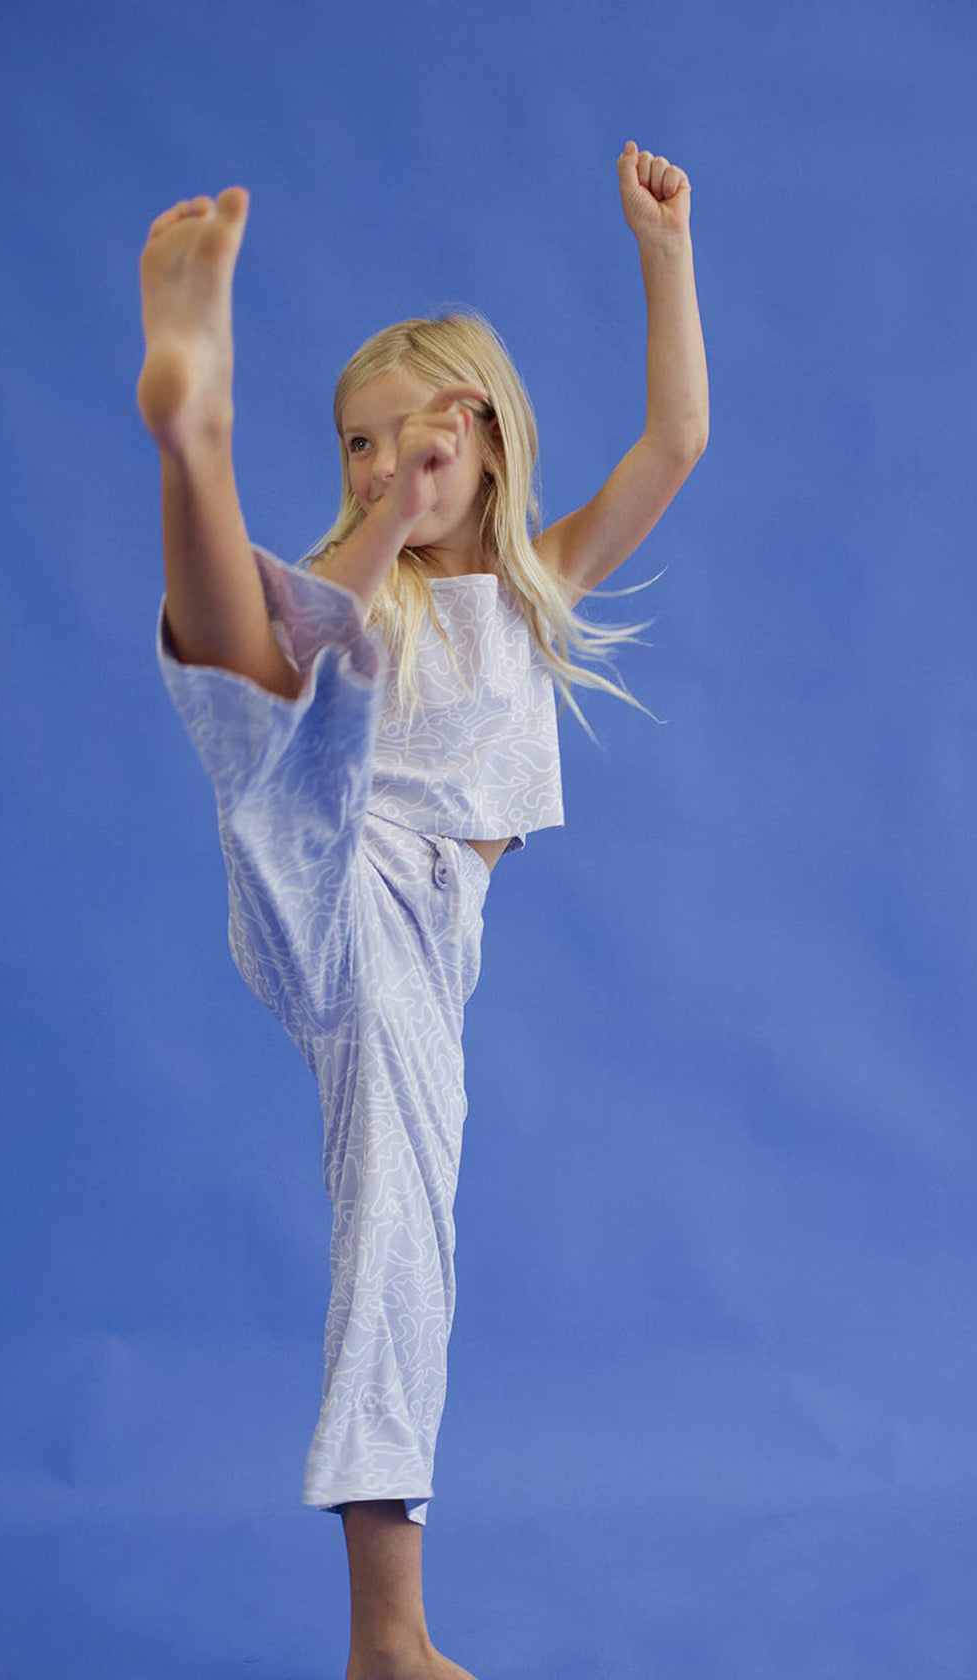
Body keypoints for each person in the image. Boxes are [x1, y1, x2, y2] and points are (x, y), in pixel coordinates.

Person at [137, 154, 705, 1680]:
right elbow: (312, 615)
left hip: (414, 946)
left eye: (415, 435)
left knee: (400, 1239)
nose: (384, 460)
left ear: (489, 433)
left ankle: (193, 447)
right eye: (355, 443)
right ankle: (196, 443)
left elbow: (677, 441)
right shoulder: (363, 579)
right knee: (276, 683)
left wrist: (666, 249)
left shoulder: (534, 594)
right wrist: (376, 525)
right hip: (338, 861)